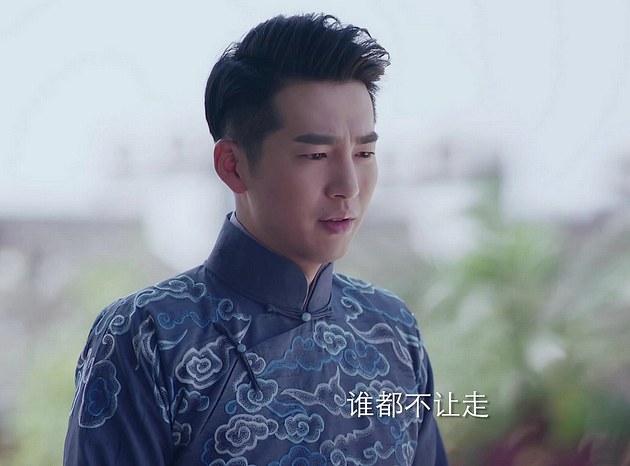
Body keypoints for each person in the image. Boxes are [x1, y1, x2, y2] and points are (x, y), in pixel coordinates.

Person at [64, 13, 448, 465]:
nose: (348, 185)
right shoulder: (147, 336)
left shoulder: (392, 329)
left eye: (364, 152)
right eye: (316, 154)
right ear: (233, 165)